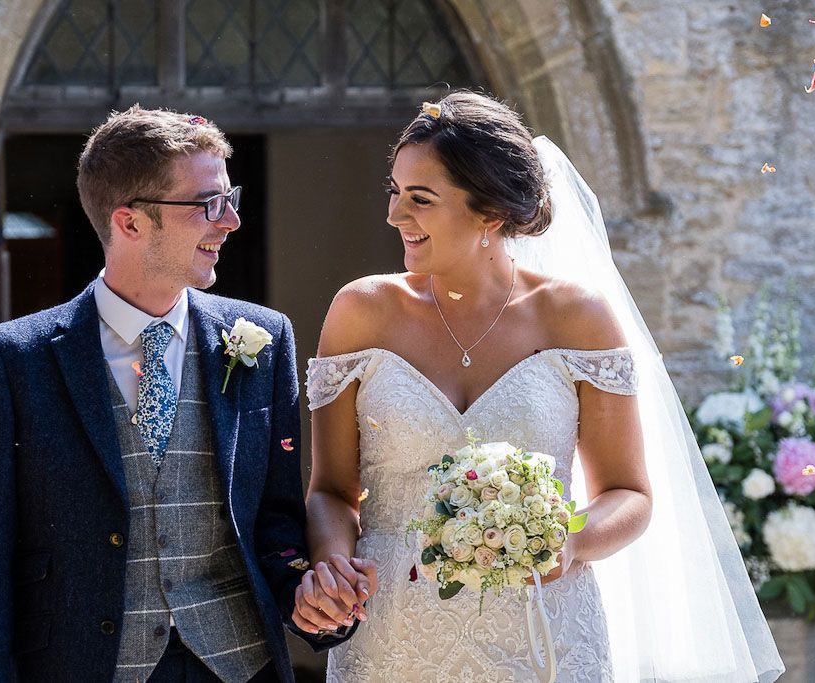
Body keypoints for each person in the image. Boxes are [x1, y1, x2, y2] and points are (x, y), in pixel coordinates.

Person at [298, 92, 785, 681]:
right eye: (394, 192)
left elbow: (629, 493)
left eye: (419, 199)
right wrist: (331, 566)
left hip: (546, 638)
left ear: (491, 214)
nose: (395, 216)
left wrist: (570, 542)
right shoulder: (361, 311)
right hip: (392, 639)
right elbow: (330, 490)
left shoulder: (574, 316)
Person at [0, 106, 370, 682]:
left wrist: (306, 591)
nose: (230, 222)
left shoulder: (263, 339)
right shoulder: (14, 360)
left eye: (230, 198)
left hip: (237, 664)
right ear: (129, 222)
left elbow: (275, 521)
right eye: (206, 205)